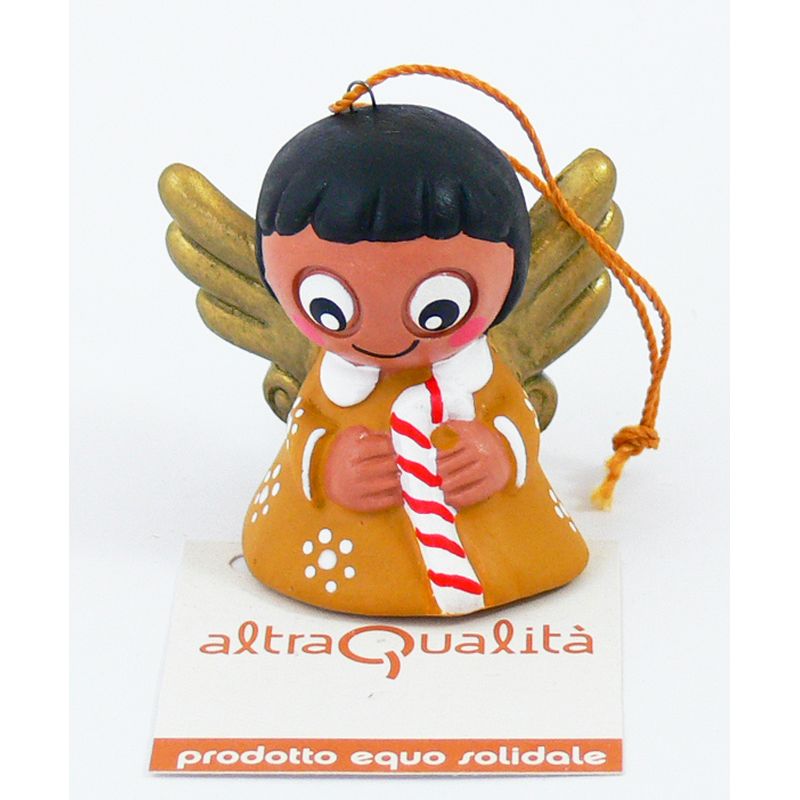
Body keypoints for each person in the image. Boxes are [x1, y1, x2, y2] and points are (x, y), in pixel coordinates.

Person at [243, 104, 588, 616]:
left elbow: (515, 415)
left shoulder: (478, 374)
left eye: (439, 307)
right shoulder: (335, 380)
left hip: (493, 526)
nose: (384, 336)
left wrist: (499, 454)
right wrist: (329, 465)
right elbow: (307, 423)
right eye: (329, 306)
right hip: (341, 547)